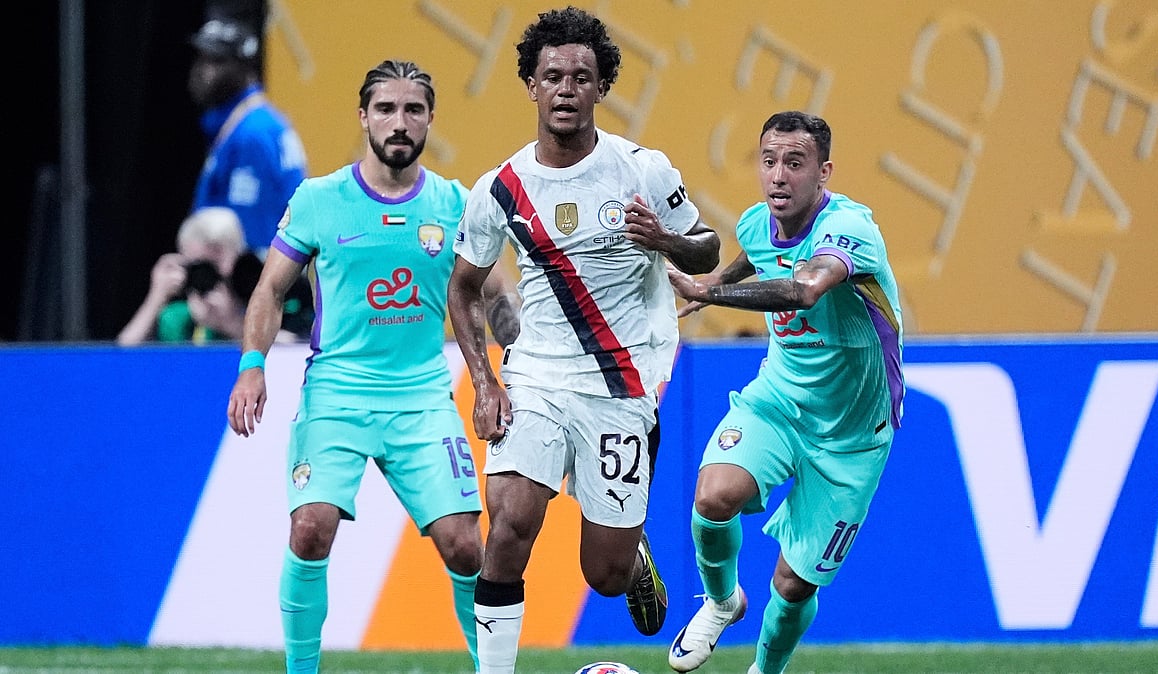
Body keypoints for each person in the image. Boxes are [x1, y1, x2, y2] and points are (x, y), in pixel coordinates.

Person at [446, 7, 721, 673]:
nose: (566, 88)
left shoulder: (642, 170)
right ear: (531, 87)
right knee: (508, 523)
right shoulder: (501, 189)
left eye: (581, 77)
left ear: (601, 88)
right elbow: (462, 287)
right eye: (552, 77)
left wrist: (664, 241)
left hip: (622, 387)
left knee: (604, 571)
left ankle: (634, 559)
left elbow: (708, 249)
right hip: (536, 376)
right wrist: (485, 384)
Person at [225, 59, 517, 674]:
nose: (400, 122)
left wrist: (511, 361)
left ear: (431, 120)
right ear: (364, 117)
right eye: (386, 109)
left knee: (467, 547)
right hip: (337, 394)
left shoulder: (455, 204)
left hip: (423, 399)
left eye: (414, 110)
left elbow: (493, 296)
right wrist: (252, 365)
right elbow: (269, 291)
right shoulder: (318, 201)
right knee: (310, 530)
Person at [662, 111, 905, 674]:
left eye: (795, 164)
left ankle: (765, 671)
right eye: (769, 162)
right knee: (712, 497)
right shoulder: (754, 222)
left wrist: (713, 294)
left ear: (824, 172)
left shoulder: (850, 230)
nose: (778, 176)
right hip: (778, 402)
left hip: (852, 436)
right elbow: (756, 254)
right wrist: (716, 282)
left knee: (793, 585)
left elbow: (804, 289)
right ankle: (722, 602)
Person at [189, 16, 308, 256]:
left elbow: (251, 237)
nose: (203, 71)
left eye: (216, 61)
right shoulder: (250, 122)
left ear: (244, 69)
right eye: (201, 59)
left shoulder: (252, 133)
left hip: (249, 283)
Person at [116, 206, 311, 345]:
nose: (213, 276)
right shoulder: (179, 317)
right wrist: (155, 297)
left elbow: (295, 351)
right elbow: (121, 360)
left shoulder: (278, 300)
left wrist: (232, 324)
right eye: (199, 266)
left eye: (216, 264)